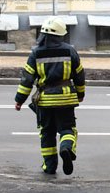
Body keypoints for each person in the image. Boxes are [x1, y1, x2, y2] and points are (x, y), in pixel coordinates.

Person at [14, 17, 85, 175]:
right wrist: (80, 94)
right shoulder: (70, 51)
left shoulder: (36, 53)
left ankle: (50, 166)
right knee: (67, 129)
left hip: (45, 101)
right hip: (66, 99)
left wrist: (19, 100)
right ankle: (66, 148)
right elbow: (79, 75)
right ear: (61, 34)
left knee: (47, 133)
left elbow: (27, 79)